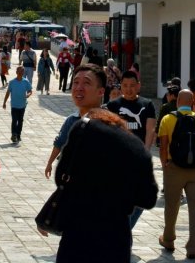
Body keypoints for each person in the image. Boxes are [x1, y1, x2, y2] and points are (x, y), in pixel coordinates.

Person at [43, 93, 157, 261]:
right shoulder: (138, 149)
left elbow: (61, 177)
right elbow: (148, 199)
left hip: (78, 229)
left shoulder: (81, 132)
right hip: (116, 235)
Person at [158, 88, 195, 259]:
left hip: (174, 168)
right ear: (193, 104)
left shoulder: (168, 118)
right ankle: (193, 247)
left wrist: (164, 162)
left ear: (178, 101)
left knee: (172, 206)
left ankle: (168, 239)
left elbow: (163, 144)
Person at [105, 69, 157, 228]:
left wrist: (146, 152)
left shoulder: (147, 104)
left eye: (132, 85)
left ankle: (124, 228)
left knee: (141, 198)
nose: (129, 89)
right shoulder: (113, 105)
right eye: (125, 85)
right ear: (120, 86)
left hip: (139, 158)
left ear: (138, 86)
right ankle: (119, 229)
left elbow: (150, 130)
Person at [3, 64, 33, 143]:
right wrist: (4, 102)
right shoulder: (12, 82)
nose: (20, 72)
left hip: (22, 105)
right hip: (14, 105)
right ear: (16, 72)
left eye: (22, 71)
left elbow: (30, 91)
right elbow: (8, 92)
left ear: (23, 72)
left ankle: (18, 135)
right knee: (14, 120)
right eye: (19, 71)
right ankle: (13, 134)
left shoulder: (26, 82)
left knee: (20, 121)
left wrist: (28, 95)